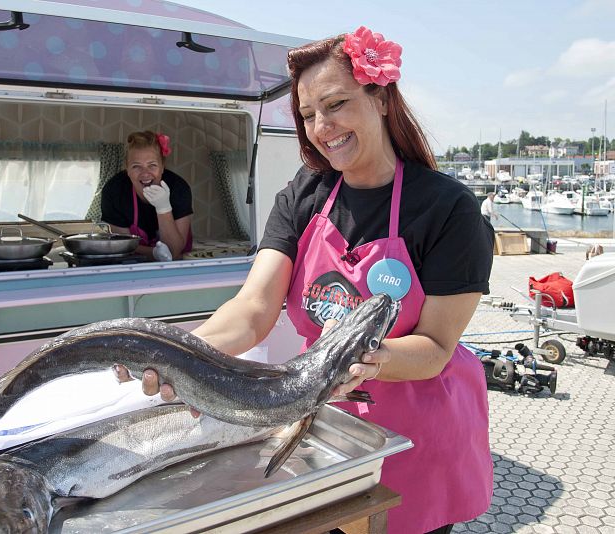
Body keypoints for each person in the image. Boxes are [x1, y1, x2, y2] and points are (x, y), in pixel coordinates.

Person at [120, 26, 494, 534]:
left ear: (381, 98)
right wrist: (184, 352)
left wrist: (366, 361)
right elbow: (253, 308)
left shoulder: (448, 209)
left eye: (336, 104)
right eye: (308, 114)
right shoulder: (306, 196)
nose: (322, 126)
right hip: (326, 425)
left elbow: (435, 347)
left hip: (420, 433)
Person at [100, 131, 193, 261]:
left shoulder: (179, 189)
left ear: (162, 167)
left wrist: (164, 208)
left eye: (152, 165)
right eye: (136, 166)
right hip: (133, 263)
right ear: (127, 169)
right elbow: (122, 246)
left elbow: (174, 250)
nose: (145, 174)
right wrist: (154, 254)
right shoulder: (114, 191)